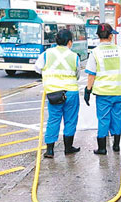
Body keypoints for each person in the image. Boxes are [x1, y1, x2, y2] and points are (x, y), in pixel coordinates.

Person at [35, 29, 81, 158]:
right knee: (70, 120)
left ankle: (50, 150)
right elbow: (77, 75)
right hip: (71, 93)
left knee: (53, 120)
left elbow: (37, 68)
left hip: (54, 93)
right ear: (70, 42)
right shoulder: (74, 56)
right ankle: (68, 148)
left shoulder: (46, 54)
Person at [84, 23, 121, 155]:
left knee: (103, 119)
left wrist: (88, 90)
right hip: (119, 91)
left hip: (103, 93)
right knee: (117, 117)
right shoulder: (120, 50)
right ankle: (116, 146)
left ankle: (102, 148)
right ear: (110, 36)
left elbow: (91, 74)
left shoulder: (95, 52)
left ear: (98, 36)